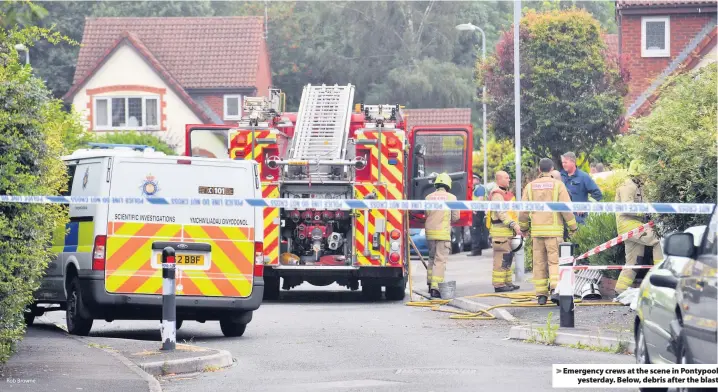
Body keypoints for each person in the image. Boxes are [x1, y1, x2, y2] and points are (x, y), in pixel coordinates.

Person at [519, 158, 578, 305]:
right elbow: (566, 209)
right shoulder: (558, 186)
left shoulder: (529, 187)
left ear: (539, 170)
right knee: (554, 262)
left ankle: (541, 295)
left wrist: (524, 228)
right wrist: (573, 227)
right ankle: (555, 290)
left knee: (539, 263)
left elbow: (523, 212)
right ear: (552, 169)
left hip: (537, 232)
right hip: (554, 231)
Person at [614, 160, 664, 295]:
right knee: (657, 239)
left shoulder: (639, 186)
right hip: (629, 225)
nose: (646, 177)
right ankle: (661, 274)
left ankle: (620, 290)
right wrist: (646, 212)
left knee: (634, 261)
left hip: (636, 226)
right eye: (645, 174)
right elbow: (627, 207)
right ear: (639, 173)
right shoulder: (627, 186)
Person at [424, 172, 460, 298]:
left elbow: (427, 213)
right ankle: (436, 288)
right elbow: (456, 217)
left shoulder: (428, 197)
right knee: (440, 260)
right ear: (448, 185)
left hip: (430, 233)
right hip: (443, 233)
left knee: (431, 258)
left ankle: (429, 283)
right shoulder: (452, 198)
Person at [487, 171, 521, 292]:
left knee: (507, 258)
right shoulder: (497, 194)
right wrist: (513, 224)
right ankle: (499, 285)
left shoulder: (506, 194)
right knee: (500, 258)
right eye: (506, 178)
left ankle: (507, 282)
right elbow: (501, 213)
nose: (509, 180)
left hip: (507, 232)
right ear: (499, 180)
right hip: (500, 232)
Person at [560, 152, 603, 224]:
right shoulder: (560, 176)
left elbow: (598, 194)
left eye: (565, 162)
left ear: (573, 162)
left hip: (578, 220)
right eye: (562, 162)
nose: (563, 164)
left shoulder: (583, 177)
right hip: (563, 220)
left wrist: (585, 206)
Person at [470, 173, 488, 256]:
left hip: (478, 211)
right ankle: (476, 249)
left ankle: (476, 250)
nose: (471, 180)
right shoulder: (475, 188)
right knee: (475, 231)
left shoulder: (480, 188)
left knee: (475, 230)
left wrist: (475, 209)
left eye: (473, 178)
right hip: (476, 211)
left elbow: (480, 199)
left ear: (477, 180)